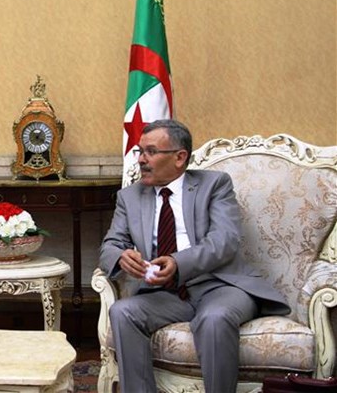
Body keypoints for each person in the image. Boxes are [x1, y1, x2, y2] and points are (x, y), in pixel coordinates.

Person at [99, 119, 290, 393]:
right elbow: (110, 245)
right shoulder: (130, 197)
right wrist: (120, 257)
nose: (141, 159)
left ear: (180, 157)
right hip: (165, 294)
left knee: (213, 318)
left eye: (151, 152)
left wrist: (178, 262)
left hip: (219, 286)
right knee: (122, 311)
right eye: (140, 151)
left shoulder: (214, 185)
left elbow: (224, 240)